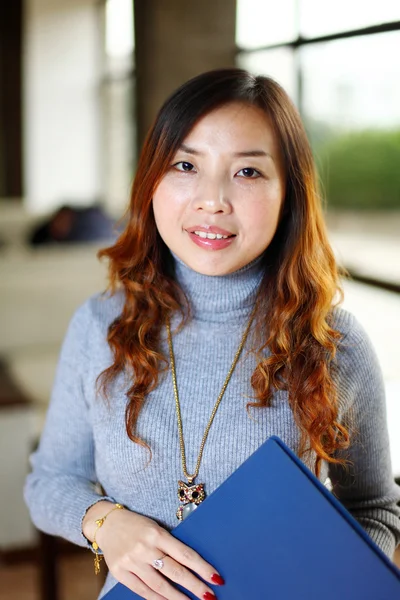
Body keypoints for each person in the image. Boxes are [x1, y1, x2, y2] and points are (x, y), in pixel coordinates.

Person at [24, 68, 400, 600]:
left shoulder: (332, 341)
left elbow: (374, 508)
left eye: (247, 172)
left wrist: (333, 580)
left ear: (288, 192)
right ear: (152, 179)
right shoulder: (100, 324)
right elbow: (50, 480)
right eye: (185, 165)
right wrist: (106, 524)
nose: (212, 200)